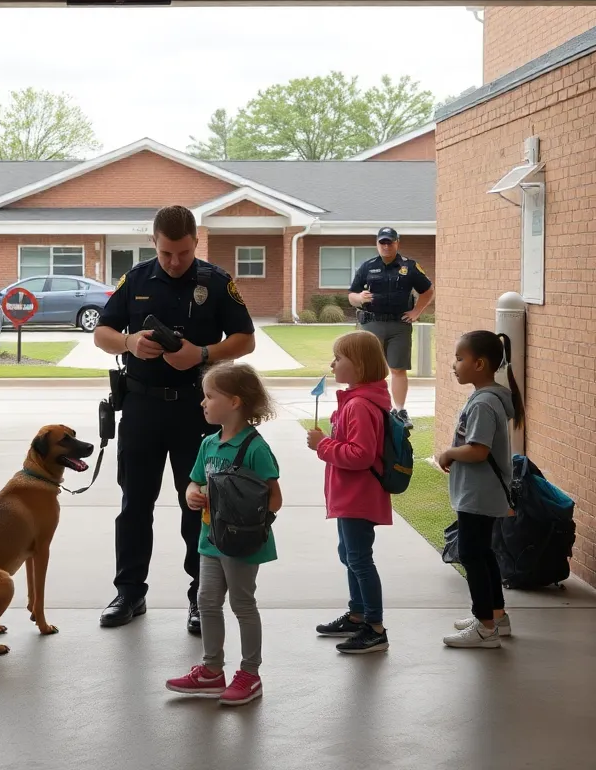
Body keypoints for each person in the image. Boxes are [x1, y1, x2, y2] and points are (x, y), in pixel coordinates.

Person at [94, 205, 257, 635]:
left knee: (199, 506)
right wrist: (129, 341)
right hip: (143, 408)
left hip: (197, 410)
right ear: (154, 242)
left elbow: (246, 340)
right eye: (166, 252)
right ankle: (130, 592)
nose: (174, 261)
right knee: (134, 505)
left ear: (195, 242)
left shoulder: (217, 282)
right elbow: (101, 333)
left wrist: (201, 354)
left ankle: (199, 599)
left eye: (182, 253)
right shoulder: (137, 278)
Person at [166, 362, 282, 706]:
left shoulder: (255, 448)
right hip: (210, 538)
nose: (203, 403)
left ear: (234, 402)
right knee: (206, 601)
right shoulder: (209, 444)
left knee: (243, 604)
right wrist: (191, 492)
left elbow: (274, 497)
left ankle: (250, 674)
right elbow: (195, 481)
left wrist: (248, 522)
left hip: (242, 543)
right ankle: (211, 671)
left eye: (209, 396)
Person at [436, 330, 526, 649]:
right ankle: (496, 617)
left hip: (478, 494)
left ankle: (485, 627)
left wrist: (448, 453)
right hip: (478, 492)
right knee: (483, 553)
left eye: (460, 359)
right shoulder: (485, 397)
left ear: (480, 363)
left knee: (472, 554)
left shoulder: (485, 403)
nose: (454, 365)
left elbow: (478, 450)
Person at [307, 330, 393, 654]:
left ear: (357, 365)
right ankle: (358, 614)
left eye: (338, 358)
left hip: (359, 495)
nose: (332, 364)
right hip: (351, 495)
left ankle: (374, 626)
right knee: (350, 555)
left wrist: (323, 445)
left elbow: (361, 455)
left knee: (359, 558)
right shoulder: (357, 401)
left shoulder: (359, 405)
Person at [347, 227, 435, 430]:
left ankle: (400, 410)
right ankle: (368, 406)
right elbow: (351, 295)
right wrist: (359, 298)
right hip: (372, 323)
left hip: (399, 325)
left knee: (398, 368)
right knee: (369, 369)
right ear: (377, 244)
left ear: (397, 243)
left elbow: (428, 290)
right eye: (382, 243)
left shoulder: (409, 267)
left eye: (390, 242)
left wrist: (416, 312)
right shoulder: (367, 267)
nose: (386, 246)